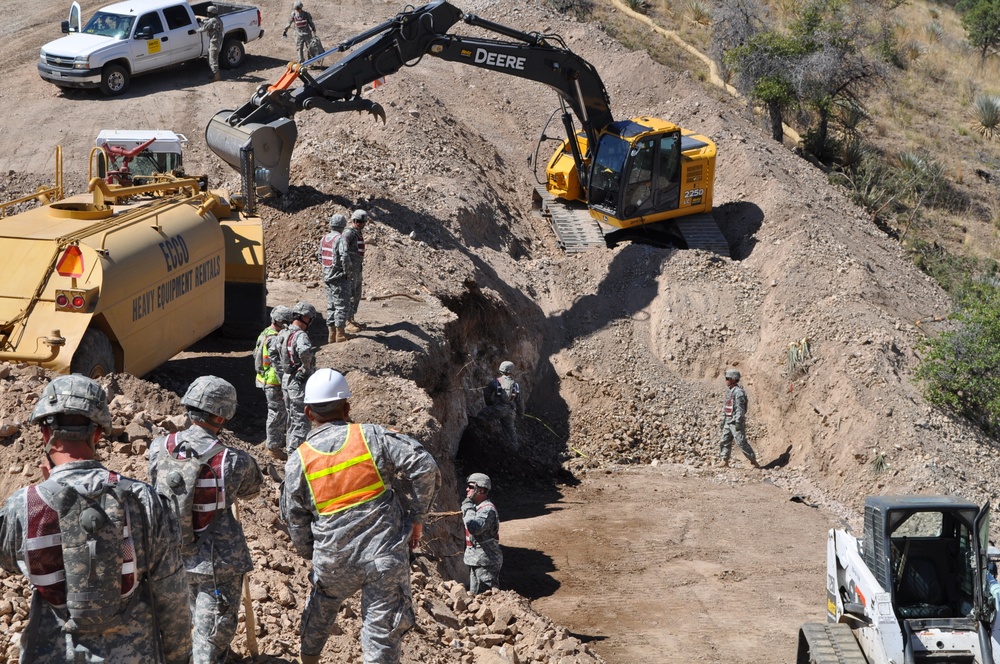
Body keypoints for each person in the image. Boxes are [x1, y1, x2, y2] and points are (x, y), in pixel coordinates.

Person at [0, 375, 192, 664]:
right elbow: (171, 594)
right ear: (99, 434)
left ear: (44, 433)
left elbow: (9, 562)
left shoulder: (22, 506)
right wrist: (179, 658)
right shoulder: (144, 500)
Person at [281, 368, 441, 664]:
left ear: (307, 412)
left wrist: (311, 552)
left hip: (333, 560)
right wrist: (418, 518)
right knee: (381, 635)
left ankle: (309, 658)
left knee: (322, 604)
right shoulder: (371, 437)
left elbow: (294, 519)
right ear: (347, 407)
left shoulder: (298, 461)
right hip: (383, 559)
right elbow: (424, 466)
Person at [148, 375, 264, 664]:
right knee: (210, 640)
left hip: (171, 560)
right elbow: (252, 491)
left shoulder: (158, 447)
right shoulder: (234, 460)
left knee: (180, 631)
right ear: (222, 416)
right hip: (218, 565)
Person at [277, 301, 319, 453]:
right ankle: (297, 455)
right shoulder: (300, 335)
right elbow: (304, 352)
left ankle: (290, 450)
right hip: (297, 382)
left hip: (287, 380)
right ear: (306, 318)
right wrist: (306, 369)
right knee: (301, 420)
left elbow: (274, 354)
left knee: (291, 418)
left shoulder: (283, 333)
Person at [256, 305, 295, 460]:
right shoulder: (274, 338)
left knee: (278, 412)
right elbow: (278, 364)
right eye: (287, 322)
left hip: (267, 379)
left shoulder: (265, 333)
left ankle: (276, 439)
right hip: (273, 381)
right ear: (279, 321)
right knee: (277, 413)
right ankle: (273, 447)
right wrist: (284, 383)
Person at [462, 473, 502, 595]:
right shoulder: (477, 507)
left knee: (486, 597)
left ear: (481, 490)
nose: (467, 489)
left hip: (486, 562)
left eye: (471, 486)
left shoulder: (487, 509)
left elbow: (474, 527)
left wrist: (467, 508)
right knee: (476, 594)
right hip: (477, 559)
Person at [318, 213, 354, 344]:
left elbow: (319, 256)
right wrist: (348, 272)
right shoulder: (340, 239)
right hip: (339, 278)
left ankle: (331, 335)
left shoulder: (324, 238)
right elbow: (344, 256)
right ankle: (340, 334)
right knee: (341, 306)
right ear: (343, 226)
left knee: (331, 305)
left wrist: (327, 271)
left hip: (327, 278)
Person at [718, 368, 761, 468]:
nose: (726, 380)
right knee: (724, 441)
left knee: (741, 442)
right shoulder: (730, 391)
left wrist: (738, 422)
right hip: (728, 421)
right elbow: (727, 406)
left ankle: (753, 462)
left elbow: (740, 409)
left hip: (735, 422)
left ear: (733, 379)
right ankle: (724, 460)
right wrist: (724, 420)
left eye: (727, 378)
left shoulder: (739, 392)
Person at [485, 361, 523, 445]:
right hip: (510, 412)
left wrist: (490, 405)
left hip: (498, 408)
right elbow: (519, 401)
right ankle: (514, 448)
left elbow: (487, 395)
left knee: (482, 416)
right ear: (511, 371)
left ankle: (483, 439)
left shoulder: (495, 382)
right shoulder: (516, 385)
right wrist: (521, 413)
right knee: (510, 432)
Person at [343, 209, 368, 333]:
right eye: (358, 221)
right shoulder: (349, 233)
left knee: (356, 294)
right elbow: (343, 251)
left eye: (362, 222)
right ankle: (346, 321)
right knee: (349, 295)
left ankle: (351, 318)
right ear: (353, 221)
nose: (360, 224)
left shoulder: (358, 233)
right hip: (350, 270)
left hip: (357, 269)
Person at [197, 5, 223, 82]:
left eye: (209, 13)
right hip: (217, 41)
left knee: (213, 59)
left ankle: (217, 76)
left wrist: (195, 31)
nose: (207, 14)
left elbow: (204, 28)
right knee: (209, 57)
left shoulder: (212, 21)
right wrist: (202, 21)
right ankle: (214, 73)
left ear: (212, 13)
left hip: (214, 42)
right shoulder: (218, 19)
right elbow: (208, 23)